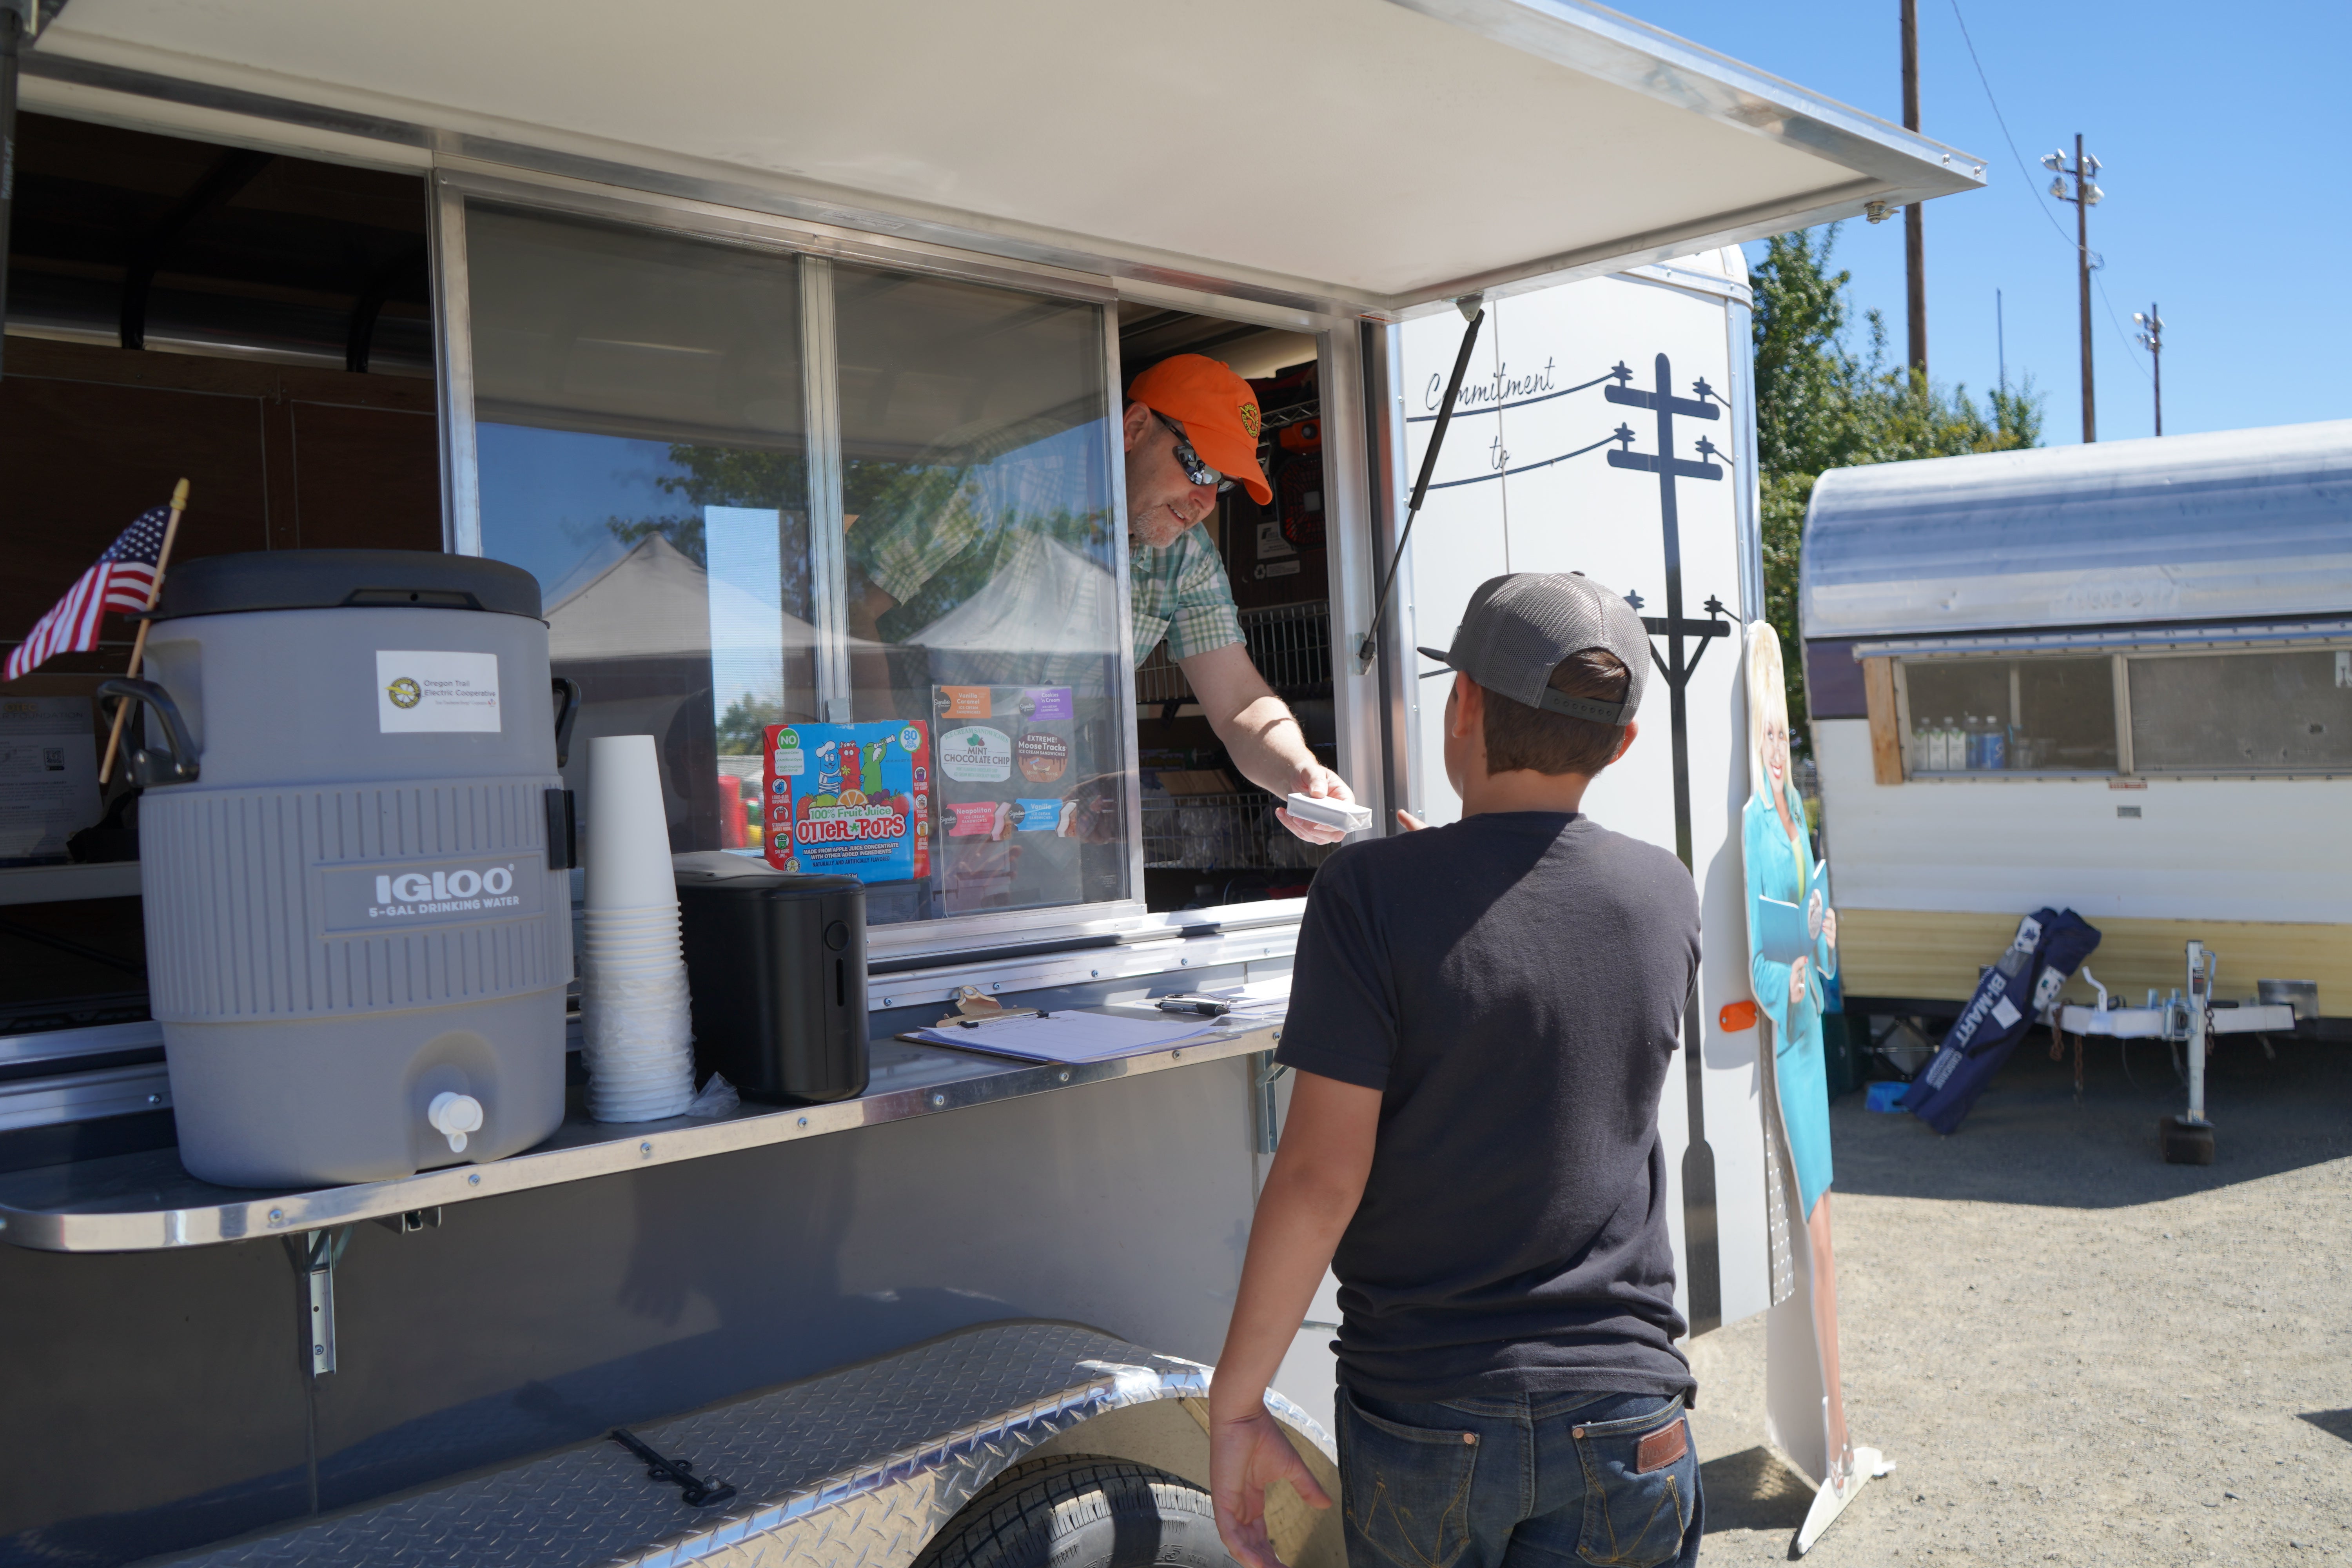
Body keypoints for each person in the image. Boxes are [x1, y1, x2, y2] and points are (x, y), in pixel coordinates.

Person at [1209, 572, 1705, 1568]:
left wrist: (1237, 1403)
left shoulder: (1368, 893)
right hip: (1627, 1405)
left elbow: (1320, 1177)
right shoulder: (1665, 891)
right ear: (1621, 745)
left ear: (1462, 703)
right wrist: (1445, 886)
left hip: (1428, 1405)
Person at [846, 352, 1352, 845]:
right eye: (1199, 468)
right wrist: (897, 774)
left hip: (1038, 826)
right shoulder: (995, 475)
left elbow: (1240, 703)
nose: (1204, 501)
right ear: (1135, 428)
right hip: (896, 797)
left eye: (1223, 485)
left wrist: (1299, 774)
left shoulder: (1188, 556)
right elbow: (845, 609)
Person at [1740, 622, 1854, 1493]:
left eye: (1786, 736)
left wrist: (1823, 935)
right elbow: (1760, 955)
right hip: (1788, 1034)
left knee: (1826, 1227)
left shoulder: (1797, 814)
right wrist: (1795, 967)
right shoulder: (1756, 822)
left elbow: (1810, 927)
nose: (1779, 751)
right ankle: (1832, 1435)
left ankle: (1843, 1435)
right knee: (1816, 1234)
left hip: (1809, 1024)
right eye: (1769, 736)